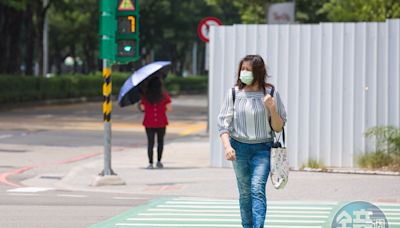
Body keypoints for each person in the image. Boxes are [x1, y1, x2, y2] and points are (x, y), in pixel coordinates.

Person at [217, 55, 287, 228]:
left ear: (258, 72)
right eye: (242, 69)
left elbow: (278, 127)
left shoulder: (271, 93)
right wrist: (227, 147)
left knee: (257, 189)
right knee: (245, 193)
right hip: (238, 148)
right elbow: (223, 125)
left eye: (248, 69)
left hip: (263, 148)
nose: (244, 73)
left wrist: (271, 107)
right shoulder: (233, 93)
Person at [140, 76, 171, 169]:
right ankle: (159, 161)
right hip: (161, 122)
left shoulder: (145, 96)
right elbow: (169, 108)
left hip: (149, 122)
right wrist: (162, 108)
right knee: (160, 142)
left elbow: (142, 108)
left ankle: (150, 163)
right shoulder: (164, 95)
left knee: (150, 142)